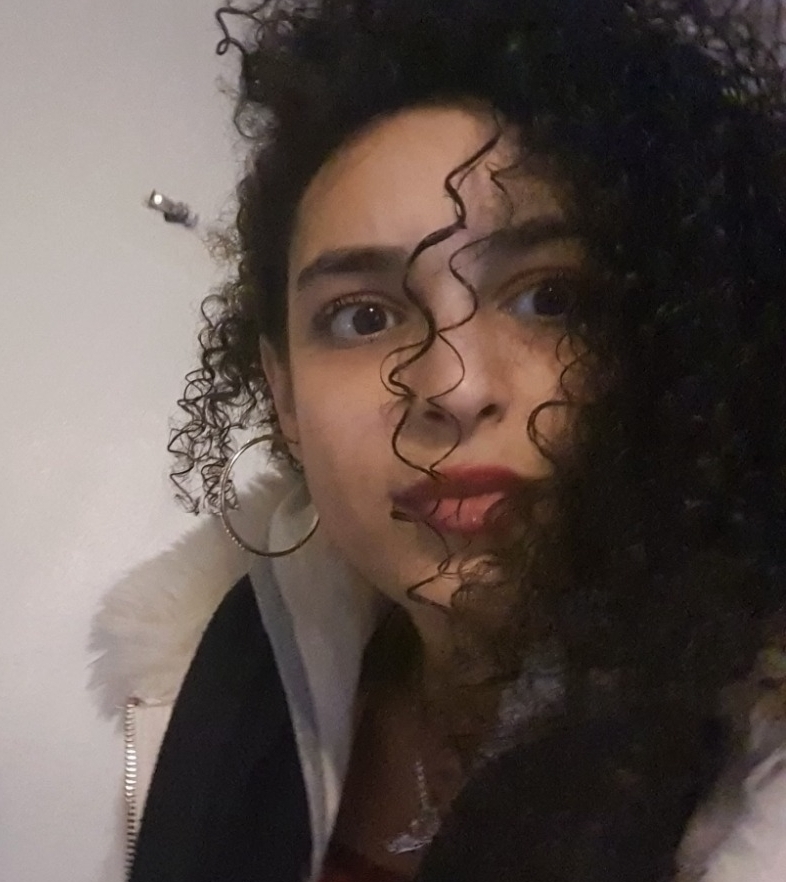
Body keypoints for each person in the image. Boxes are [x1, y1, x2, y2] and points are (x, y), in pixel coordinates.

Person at [92, 0, 786, 879]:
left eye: (551, 299)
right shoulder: (193, 695)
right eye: (363, 316)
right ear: (285, 395)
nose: (453, 388)